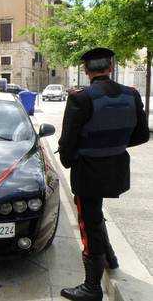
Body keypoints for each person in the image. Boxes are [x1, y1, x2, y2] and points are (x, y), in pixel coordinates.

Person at [59, 48, 150, 301]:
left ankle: (91, 287)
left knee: (88, 223)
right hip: (116, 168)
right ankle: (110, 258)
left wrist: (70, 160)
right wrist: (114, 144)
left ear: (86, 71)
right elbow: (142, 135)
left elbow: (67, 142)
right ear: (110, 67)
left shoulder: (80, 98)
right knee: (95, 216)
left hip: (87, 171)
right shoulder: (131, 94)